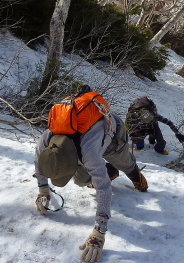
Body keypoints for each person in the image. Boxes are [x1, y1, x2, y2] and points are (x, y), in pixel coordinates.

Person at [33, 85, 147, 263]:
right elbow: (38, 163)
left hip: (113, 136)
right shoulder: (46, 140)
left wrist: (98, 233)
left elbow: (104, 189)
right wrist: (43, 190)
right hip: (88, 145)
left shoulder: (89, 153)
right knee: (81, 181)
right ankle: (109, 171)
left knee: (125, 163)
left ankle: (135, 175)